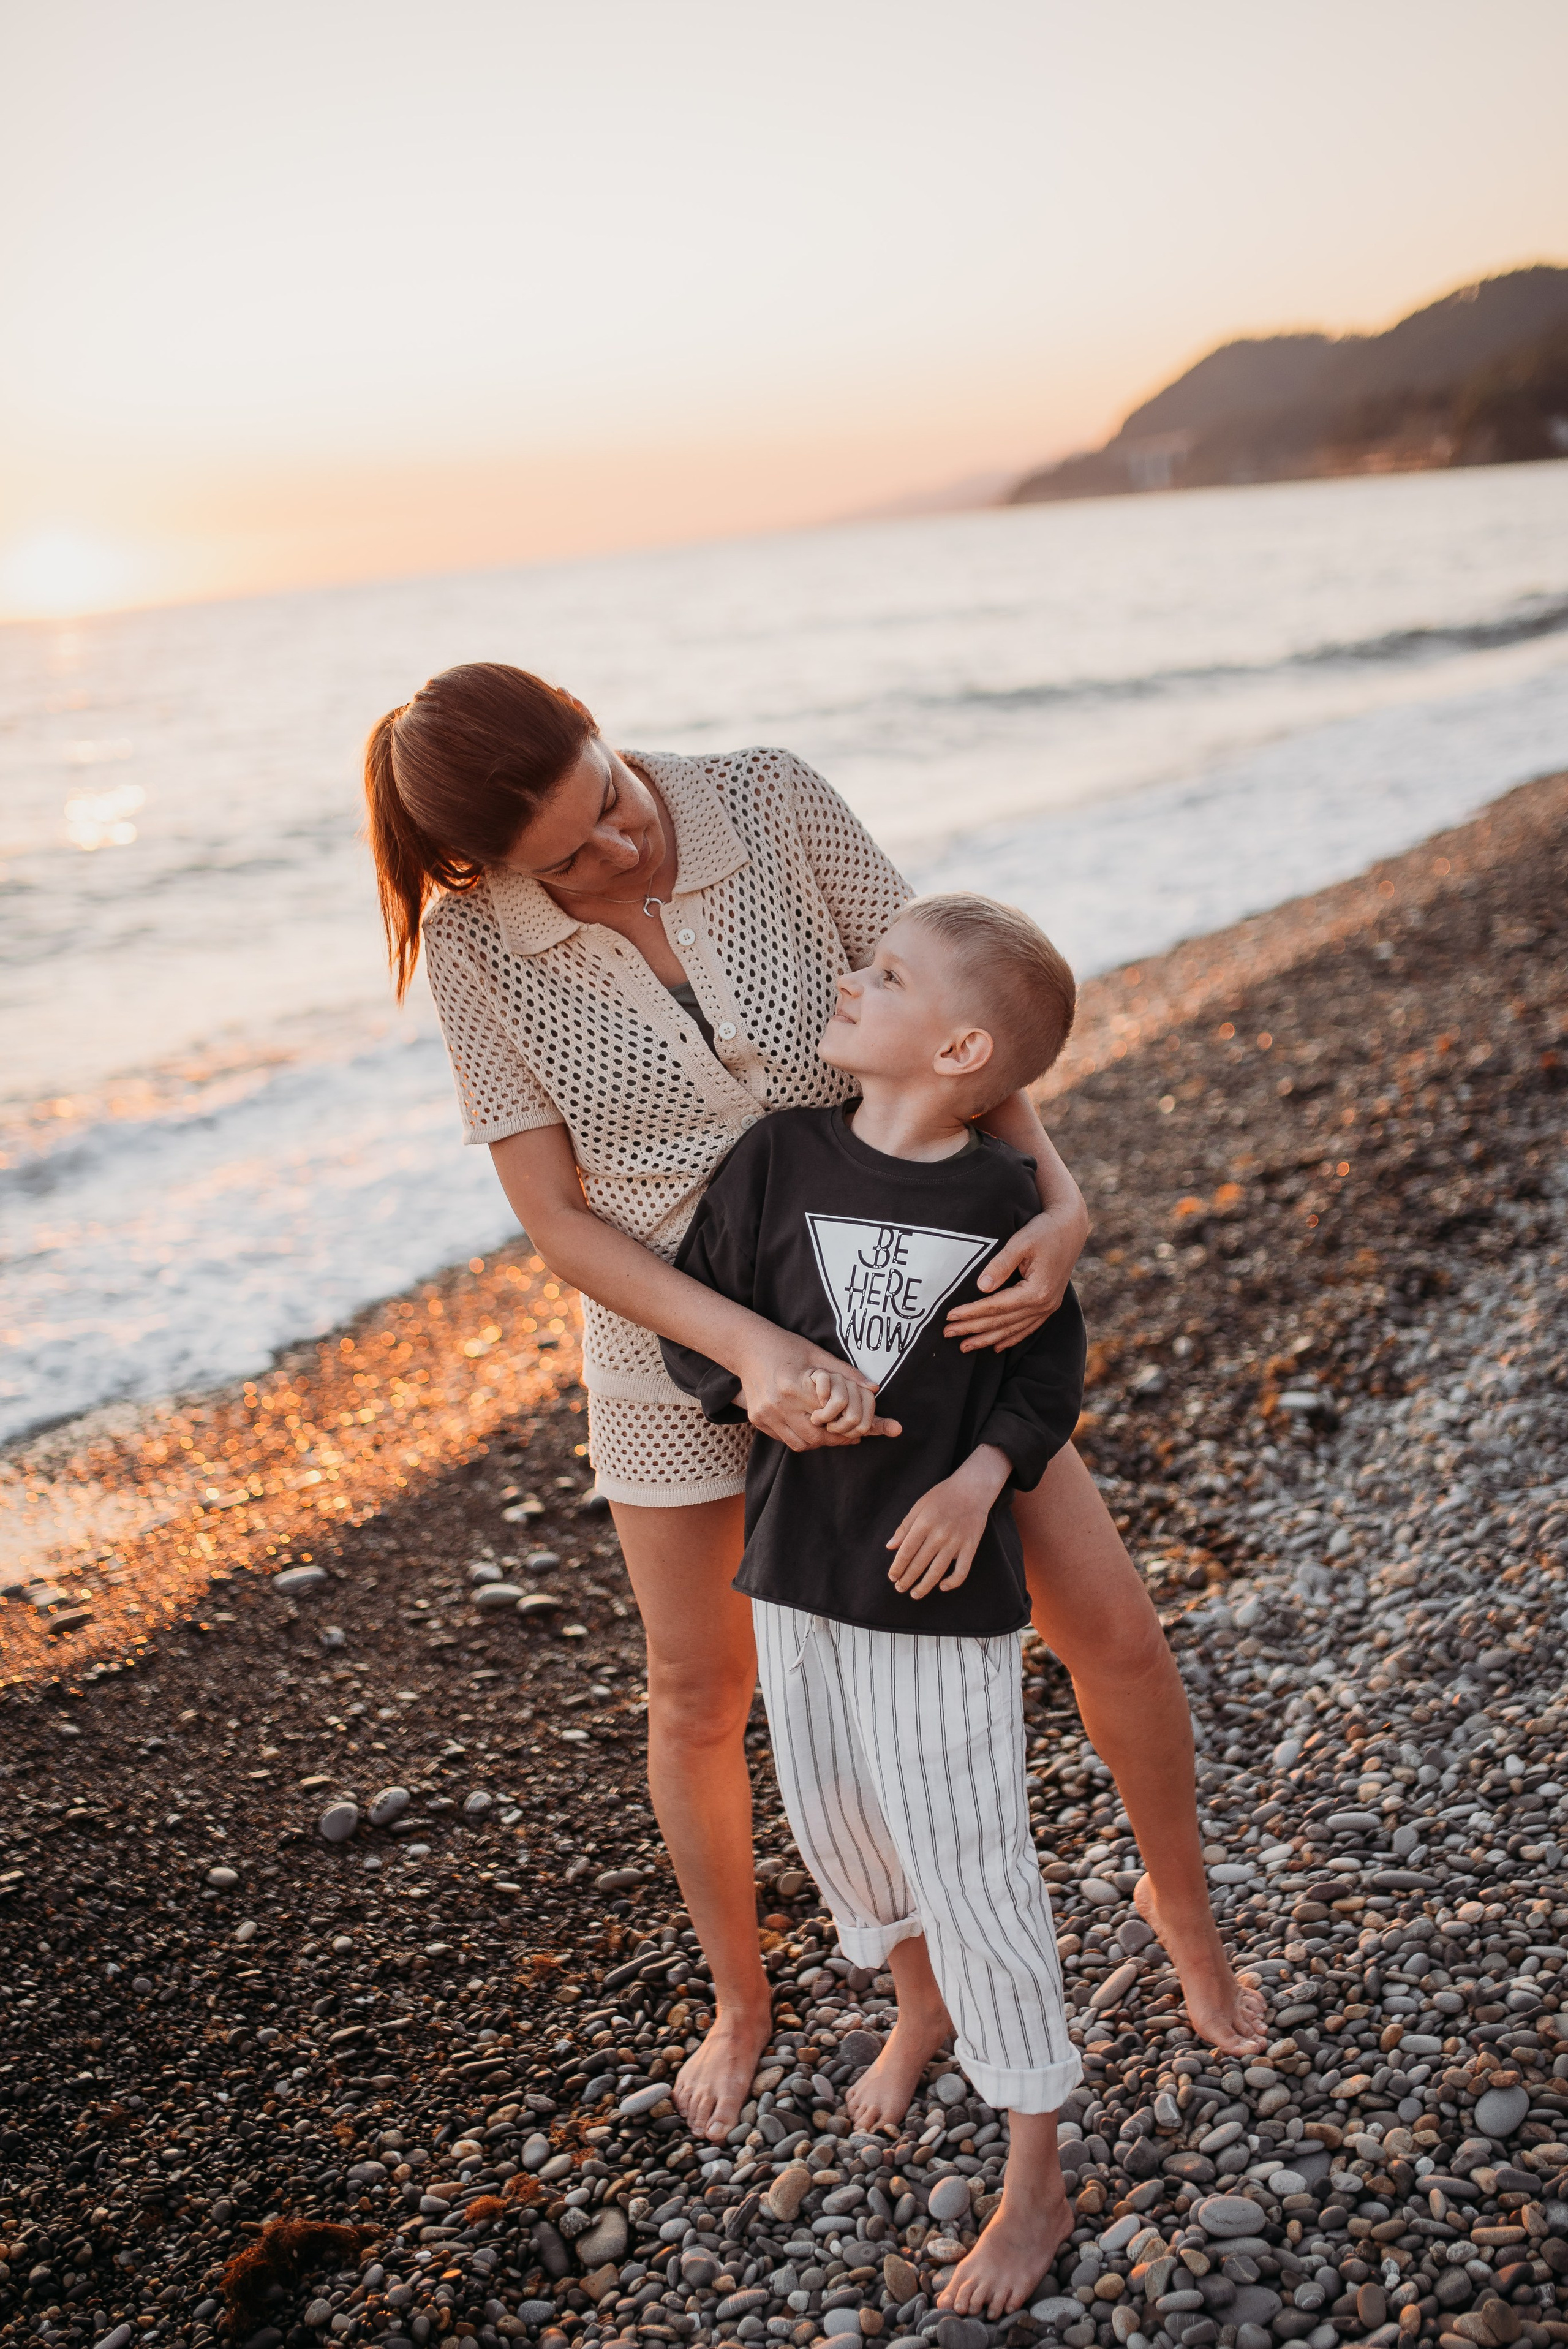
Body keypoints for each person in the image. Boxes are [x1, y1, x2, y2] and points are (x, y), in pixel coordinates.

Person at [363, 661, 1265, 2143]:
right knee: (709, 1693)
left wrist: (1062, 1204)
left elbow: (963, 1009)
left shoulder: (771, 798)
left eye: (607, 802)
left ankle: (1180, 1910)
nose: (614, 854)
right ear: (479, 871)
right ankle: (765, 1998)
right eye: (563, 860)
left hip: (922, 1314)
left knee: (1103, 1618)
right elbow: (559, 1220)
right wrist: (751, 1353)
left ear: (603, 726)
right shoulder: (475, 951)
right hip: (673, 1345)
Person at [659, 893, 1087, 2316]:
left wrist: (977, 1482)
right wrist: (766, 1389)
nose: (848, 980)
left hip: (940, 1596)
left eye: (883, 975)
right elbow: (694, 1335)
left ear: (959, 1045)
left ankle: (1035, 2175)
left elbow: (1041, 1380)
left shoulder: (1001, 1209)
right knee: (837, 1827)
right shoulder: (775, 1158)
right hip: (797, 1572)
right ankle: (918, 2008)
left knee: (971, 1856)